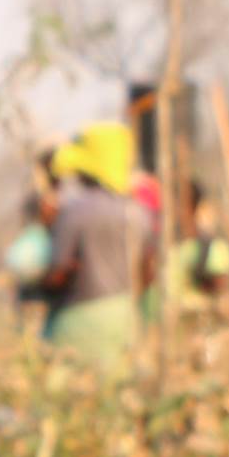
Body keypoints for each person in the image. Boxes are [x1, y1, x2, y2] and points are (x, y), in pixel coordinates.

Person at [29, 119, 153, 366]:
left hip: (78, 321)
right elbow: (147, 272)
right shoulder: (139, 213)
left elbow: (59, 273)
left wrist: (37, 284)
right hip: (124, 320)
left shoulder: (74, 212)